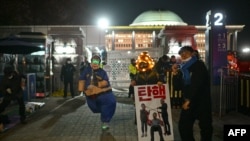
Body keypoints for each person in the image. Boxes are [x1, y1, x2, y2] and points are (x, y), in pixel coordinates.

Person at [172, 46, 213, 141]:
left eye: (185, 52)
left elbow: (197, 84)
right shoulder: (183, 69)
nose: (183, 55)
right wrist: (175, 74)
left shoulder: (199, 65)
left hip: (201, 101)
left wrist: (188, 99)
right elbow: (177, 87)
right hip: (189, 102)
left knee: (205, 126)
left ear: (192, 53)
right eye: (181, 53)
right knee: (184, 126)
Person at [78, 55, 116, 130]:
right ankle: (104, 116)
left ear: (99, 63)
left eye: (97, 62)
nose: (95, 64)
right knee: (95, 107)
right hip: (90, 94)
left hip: (103, 93)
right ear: (91, 63)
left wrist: (97, 83)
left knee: (109, 103)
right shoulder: (86, 70)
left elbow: (105, 82)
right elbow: (82, 80)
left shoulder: (102, 72)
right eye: (93, 62)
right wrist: (82, 90)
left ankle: (105, 121)